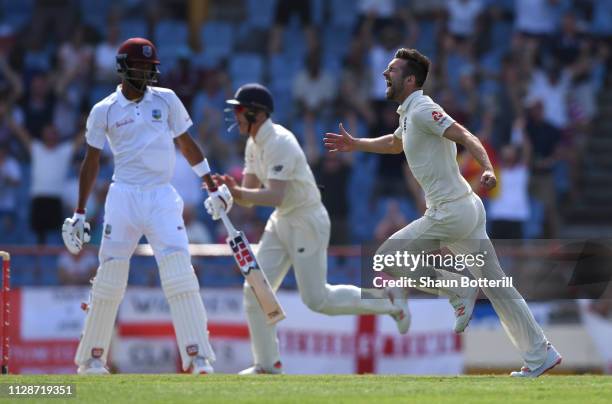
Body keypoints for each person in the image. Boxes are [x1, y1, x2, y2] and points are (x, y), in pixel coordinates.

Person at [324, 48, 561, 378]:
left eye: (391, 70)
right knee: (498, 287)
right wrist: (356, 144)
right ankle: (541, 354)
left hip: (451, 212)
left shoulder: (422, 108)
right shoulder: (408, 114)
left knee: (387, 258)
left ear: (410, 80)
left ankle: (457, 290)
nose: (384, 74)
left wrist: (488, 168)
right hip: (465, 210)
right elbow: (395, 144)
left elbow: (465, 135)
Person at [205, 83, 410, 375]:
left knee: (317, 299)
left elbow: (272, 195)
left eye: (239, 110)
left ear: (256, 113)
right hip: (282, 220)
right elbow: (249, 196)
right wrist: (227, 192)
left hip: (307, 220)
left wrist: (235, 191)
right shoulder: (254, 143)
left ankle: (388, 300)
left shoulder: (280, 142)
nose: (235, 115)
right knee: (254, 291)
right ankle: (267, 365)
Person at [61, 38, 233, 375]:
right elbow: (90, 162)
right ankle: (93, 359)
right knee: (110, 276)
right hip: (123, 197)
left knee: (180, 272)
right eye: (140, 67)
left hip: (161, 197)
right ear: (124, 68)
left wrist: (210, 181)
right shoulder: (104, 109)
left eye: (150, 68)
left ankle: (198, 358)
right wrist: (79, 213)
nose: (146, 73)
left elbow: (187, 144)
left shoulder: (166, 100)